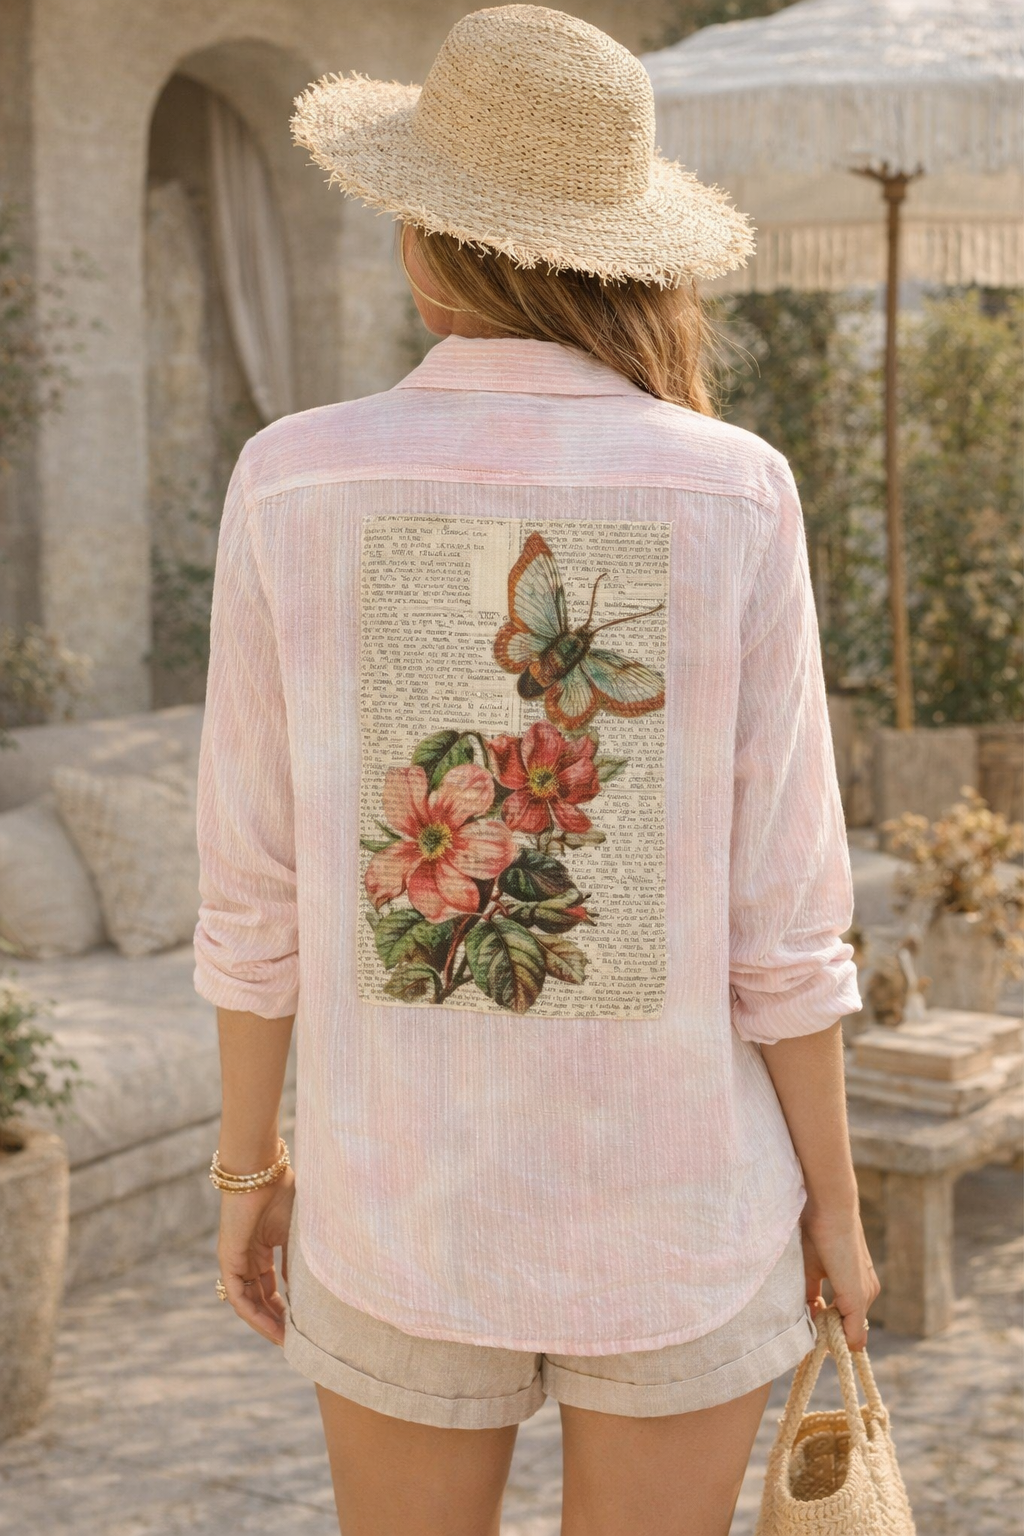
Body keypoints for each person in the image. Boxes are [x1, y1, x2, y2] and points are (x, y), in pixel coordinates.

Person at [194, 8, 879, 1534]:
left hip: (399, 1209)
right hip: (685, 1211)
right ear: (628, 251)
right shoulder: (734, 489)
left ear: (430, 239)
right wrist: (836, 1204)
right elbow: (787, 923)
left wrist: (251, 1174)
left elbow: (253, 890)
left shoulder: (293, 479)